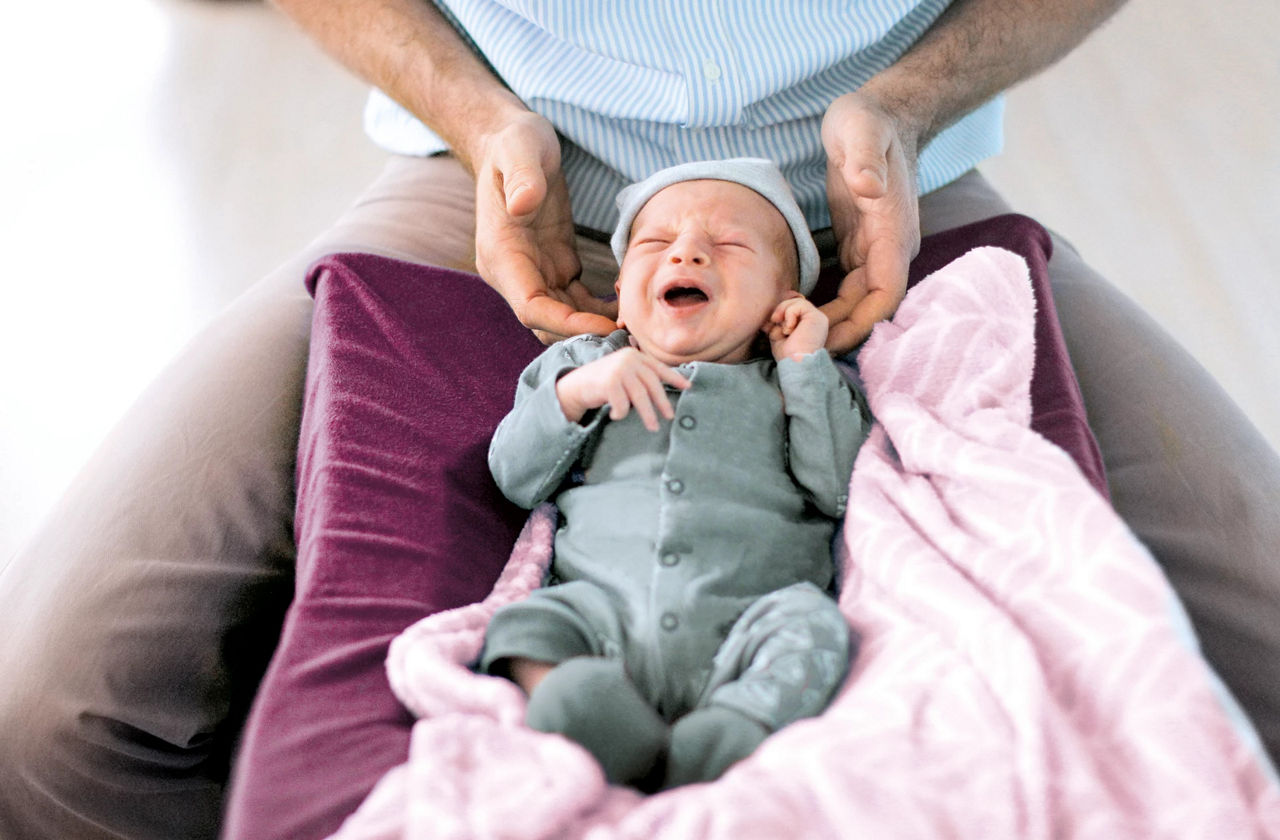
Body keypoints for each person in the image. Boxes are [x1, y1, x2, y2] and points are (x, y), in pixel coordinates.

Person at [1, 2, 1276, 839]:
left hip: (875, 179)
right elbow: (520, 454)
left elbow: (834, 467)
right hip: (495, 172)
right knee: (51, 712)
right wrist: (480, 120)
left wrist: (901, 109)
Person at [481, 159, 864, 789]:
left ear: (784, 301)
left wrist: (806, 365)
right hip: (603, 615)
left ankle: (735, 727)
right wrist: (577, 394)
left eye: (729, 244)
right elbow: (512, 475)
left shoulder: (790, 382)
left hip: (746, 620)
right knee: (525, 625)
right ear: (623, 293)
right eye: (656, 243)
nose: (686, 254)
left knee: (813, 628)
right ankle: (582, 706)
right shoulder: (585, 364)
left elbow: (842, 486)